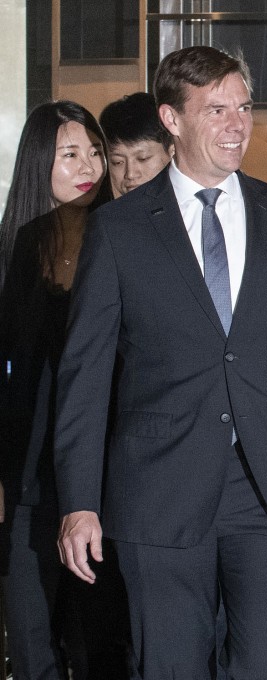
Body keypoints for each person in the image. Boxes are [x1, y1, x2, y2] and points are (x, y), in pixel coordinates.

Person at [53, 46, 267, 680]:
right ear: (172, 120)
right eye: (216, 109)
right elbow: (87, 376)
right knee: (170, 666)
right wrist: (78, 502)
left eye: (243, 107)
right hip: (158, 492)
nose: (237, 124)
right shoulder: (121, 229)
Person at [0, 100, 112, 679]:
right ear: (40, 162)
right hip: (27, 489)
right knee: (32, 647)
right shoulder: (16, 253)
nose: (87, 165)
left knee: (96, 648)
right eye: (71, 154)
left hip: (100, 489)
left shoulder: (118, 246)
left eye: (94, 151)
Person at [99, 92, 173, 198]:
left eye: (142, 159)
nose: (130, 174)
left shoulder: (197, 207)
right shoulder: (103, 213)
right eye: (117, 162)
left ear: (172, 152)